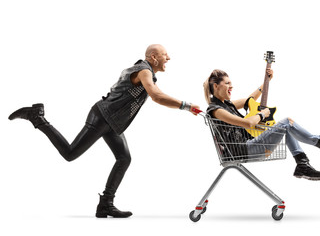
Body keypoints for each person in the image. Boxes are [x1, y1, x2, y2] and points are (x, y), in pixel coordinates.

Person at [8, 44, 200, 218]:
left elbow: (155, 94)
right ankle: (37, 117)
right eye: (165, 54)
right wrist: (186, 106)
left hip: (113, 122)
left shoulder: (145, 71)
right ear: (153, 57)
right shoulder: (143, 70)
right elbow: (157, 96)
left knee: (124, 158)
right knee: (70, 154)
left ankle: (105, 204)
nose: (169, 58)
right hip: (102, 117)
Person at [203, 69, 320, 180]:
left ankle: (302, 164)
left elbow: (250, 99)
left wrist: (266, 82)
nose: (231, 86)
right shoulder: (216, 110)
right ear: (216, 86)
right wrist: (263, 114)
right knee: (286, 123)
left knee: (285, 127)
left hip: (248, 148)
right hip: (245, 150)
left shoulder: (227, 105)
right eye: (227, 83)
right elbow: (248, 123)